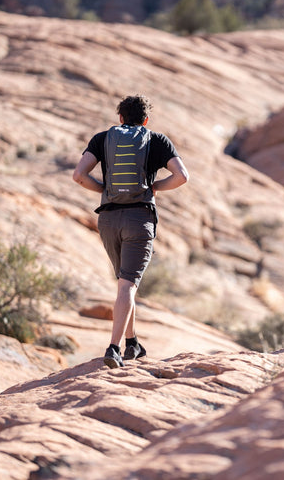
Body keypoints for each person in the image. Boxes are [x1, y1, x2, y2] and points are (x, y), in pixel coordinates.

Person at [73, 94, 189, 368]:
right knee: (128, 285)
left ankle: (132, 343)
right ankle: (113, 347)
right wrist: (154, 188)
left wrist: (105, 190)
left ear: (120, 119)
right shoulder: (156, 140)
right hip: (139, 219)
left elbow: (79, 175)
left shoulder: (102, 139)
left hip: (108, 221)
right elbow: (182, 176)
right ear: (146, 120)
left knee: (125, 284)